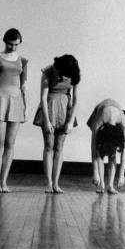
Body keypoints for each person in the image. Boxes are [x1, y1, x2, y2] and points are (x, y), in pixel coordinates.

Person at [0, 29, 29, 193]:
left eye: (16, 44)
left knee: (10, 143)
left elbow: (24, 85)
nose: (13, 47)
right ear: (5, 41)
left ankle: (4, 181)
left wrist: (27, 106)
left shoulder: (22, 60)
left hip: (16, 100)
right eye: (10, 44)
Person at [33, 55, 80, 193]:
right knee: (49, 146)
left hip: (65, 109)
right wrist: (46, 121)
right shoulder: (48, 70)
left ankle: (56, 183)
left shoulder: (75, 73)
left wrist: (71, 121)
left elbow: (76, 98)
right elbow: (42, 96)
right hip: (49, 107)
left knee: (59, 147)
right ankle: (48, 183)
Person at [87, 98, 125, 194]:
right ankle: (101, 184)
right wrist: (95, 173)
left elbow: (124, 151)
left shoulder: (122, 123)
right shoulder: (99, 121)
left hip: (116, 113)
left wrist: (122, 175)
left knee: (112, 154)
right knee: (100, 152)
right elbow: (93, 147)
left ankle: (110, 185)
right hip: (100, 110)